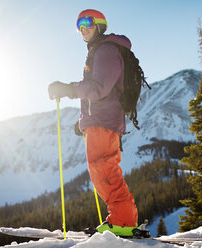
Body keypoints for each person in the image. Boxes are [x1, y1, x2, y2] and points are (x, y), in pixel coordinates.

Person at [48, 9, 138, 236]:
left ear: (100, 25)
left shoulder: (106, 49)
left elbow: (100, 87)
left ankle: (123, 222)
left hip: (104, 121)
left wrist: (68, 89)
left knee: (104, 170)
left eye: (87, 22)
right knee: (102, 171)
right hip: (99, 120)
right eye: (79, 25)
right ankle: (120, 220)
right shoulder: (99, 50)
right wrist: (84, 122)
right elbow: (99, 92)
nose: (83, 28)